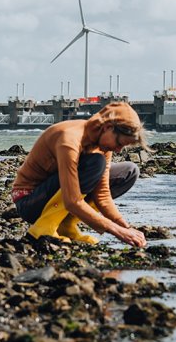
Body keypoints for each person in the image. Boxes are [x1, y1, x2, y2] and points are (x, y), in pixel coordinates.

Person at [12, 102, 147, 248]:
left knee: (129, 171)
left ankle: (66, 224)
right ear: (108, 127)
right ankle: (44, 226)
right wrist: (116, 231)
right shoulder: (69, 139)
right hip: (30, 202)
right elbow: (72, 201)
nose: (119, 150)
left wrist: (126, 228)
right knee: (95, 163)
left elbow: (102, 195)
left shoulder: (102, 146)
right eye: (119, 143)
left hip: (57, 197)